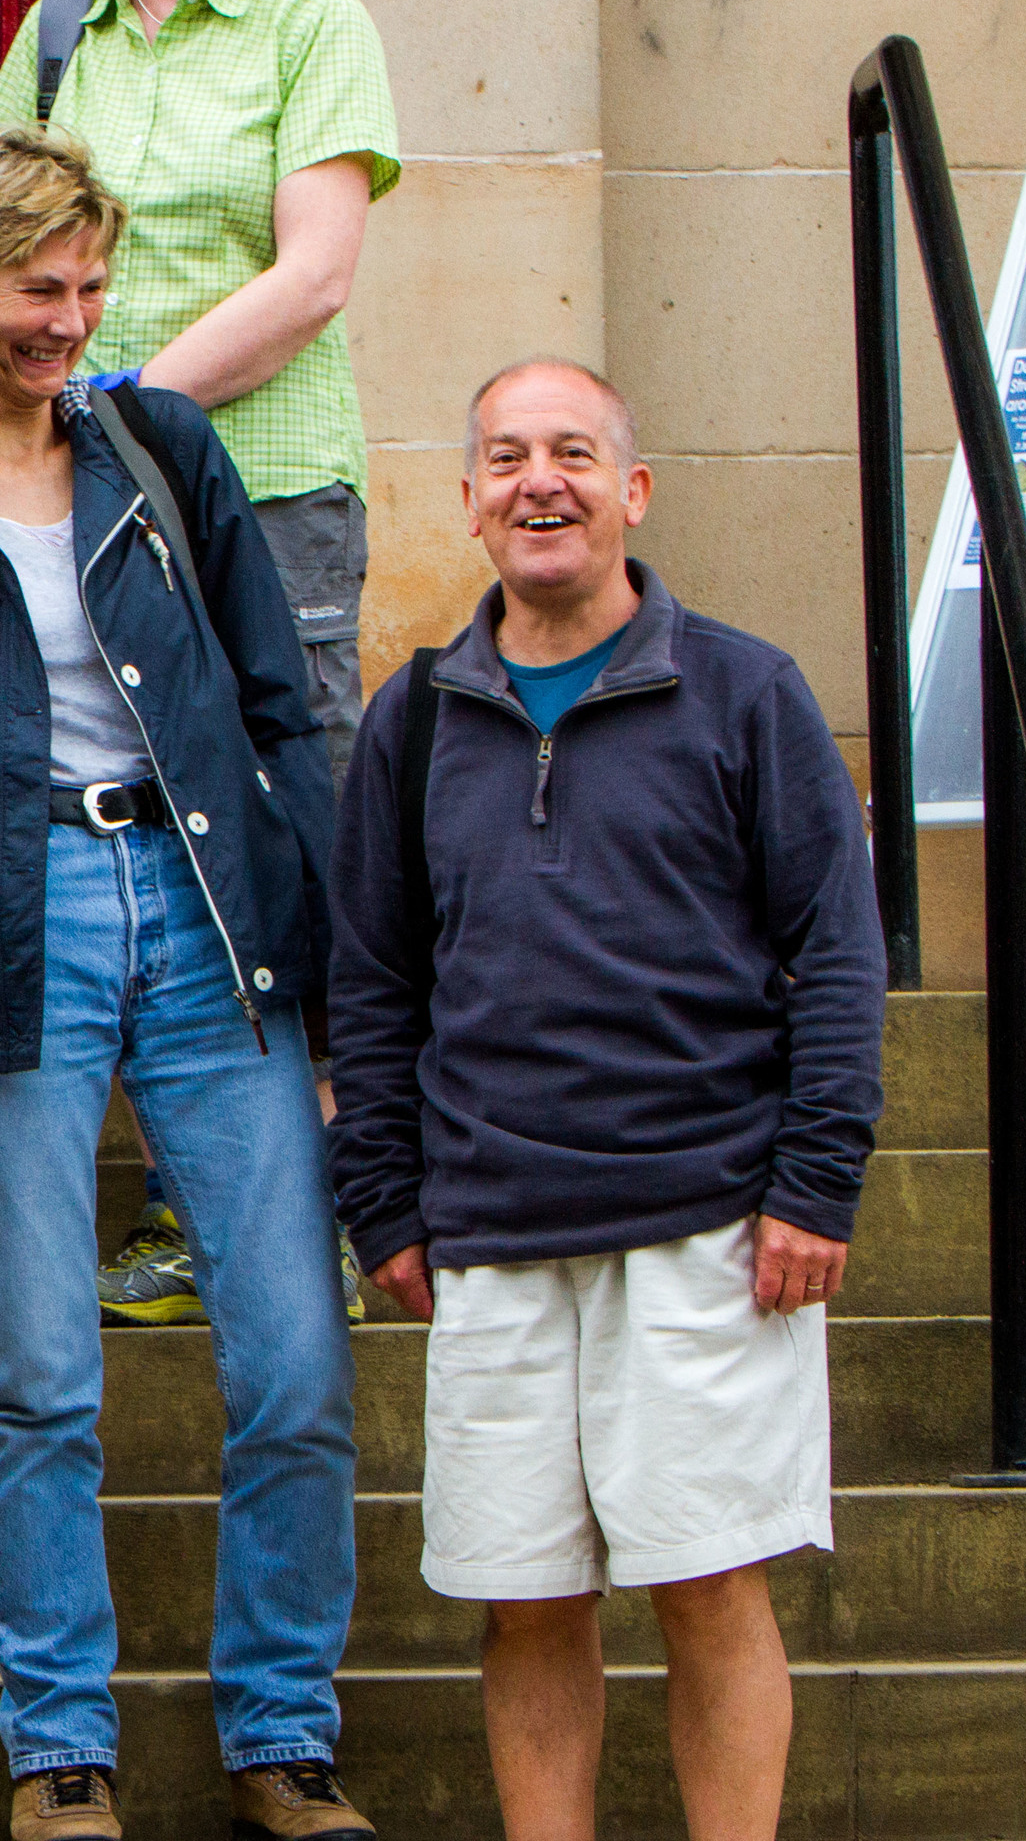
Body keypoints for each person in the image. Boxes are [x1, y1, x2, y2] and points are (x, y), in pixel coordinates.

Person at [0, 125, 367, 1841]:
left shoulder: (159, 446)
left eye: (91, 285)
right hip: (8, 923)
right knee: (39, 1369)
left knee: (294, 1361)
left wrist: (337, 980)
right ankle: (62, 1745)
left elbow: (280, 710)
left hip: (208, 914)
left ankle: (281, 1730)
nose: (72, 317)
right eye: (38, 288)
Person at [330, 360, 882, 1841]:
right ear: (468, 504)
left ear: (632, 493)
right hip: (493, 1234)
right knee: (523, 1605)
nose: (540, 483)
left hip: (710, 1227)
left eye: (575, 453)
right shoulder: (415, 721)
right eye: (507, 458)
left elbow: (837, 956)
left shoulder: (749, 693)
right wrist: (382, 1199)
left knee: (710, 1588)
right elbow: (373, 981)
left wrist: (814, 1185)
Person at [0, 0, 399, 1327]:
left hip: (264, 489)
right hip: (80, 502)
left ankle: (351, 1200)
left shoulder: (311, 23)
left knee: (289, 822)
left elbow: (312, 276)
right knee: (133, 825)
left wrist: (121, 402)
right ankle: (181, 1207)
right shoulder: (62, 36)